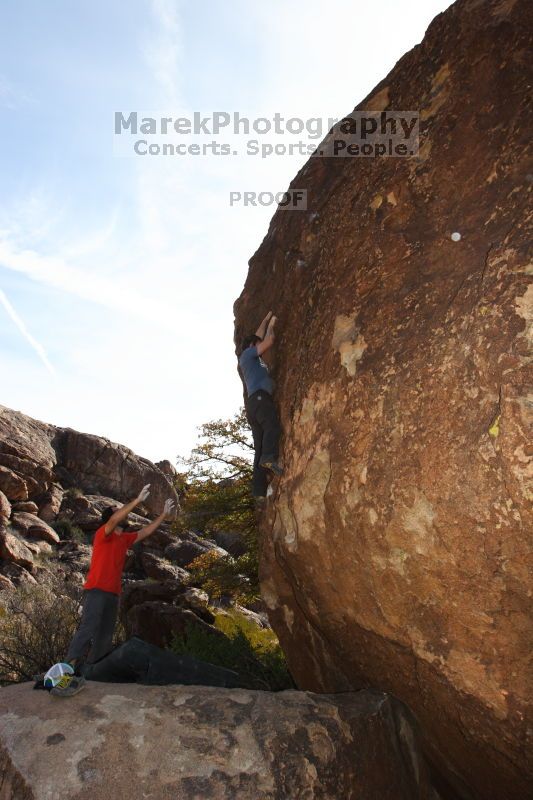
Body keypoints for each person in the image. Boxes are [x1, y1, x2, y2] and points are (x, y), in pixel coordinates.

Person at [50, 484, 176, 697]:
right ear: (111, 517)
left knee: (105, 635)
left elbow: (145, 531)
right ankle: (64, 673)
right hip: (97, 590)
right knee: (87, 629)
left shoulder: (123, 539)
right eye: (118, 512)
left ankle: (90, 673)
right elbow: (114, 520)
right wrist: (137, 501)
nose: (121, 514)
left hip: (113, 594)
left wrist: (163, 515)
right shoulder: (103, 534)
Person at [239, 311, 283, 499]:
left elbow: (257, 337)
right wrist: (272, 325)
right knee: (272, 425)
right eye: (256, 344)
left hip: (253, 405)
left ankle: (258, 491)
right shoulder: (248, 354)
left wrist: (265, 318)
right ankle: (268, 458)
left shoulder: (251, 359)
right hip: (259, 399)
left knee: (259, 445)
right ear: (251, 346)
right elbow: (268, 341)